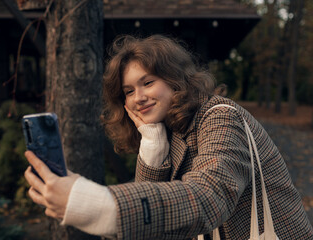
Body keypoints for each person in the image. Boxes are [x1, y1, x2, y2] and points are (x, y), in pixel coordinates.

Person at [24, 35, 313, 239]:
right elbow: (151, 233)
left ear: (175, 78)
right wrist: (151, 147)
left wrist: (94, 202)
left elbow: (208, 198)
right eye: (128, 91)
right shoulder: (166, 129)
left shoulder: (220, 116)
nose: (138, 98)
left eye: (147, 82)